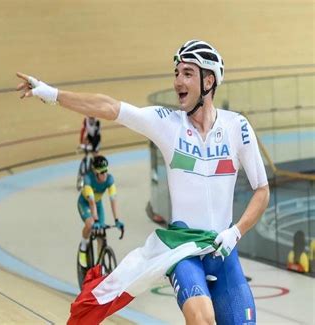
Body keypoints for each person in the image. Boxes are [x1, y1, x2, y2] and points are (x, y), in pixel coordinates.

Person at [16, 39, 270, 325]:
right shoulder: (167, 123)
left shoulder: (237, 127)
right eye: (176, 73)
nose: (177, 81)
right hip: (182, 249)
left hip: (223, 248)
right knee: (203, 320)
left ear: (208, 80)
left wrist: (235, 232)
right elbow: (110, 107)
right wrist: (52, 94)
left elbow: (262, 191)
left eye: (187, 73)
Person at [77, 155, 124, 267]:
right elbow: (91, 202)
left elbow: (113, 200)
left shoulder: (109, 179)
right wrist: (96, 220)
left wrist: (117, 220)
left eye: (106, 171)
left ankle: (100, 264)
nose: (105, 174)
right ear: (96, 172)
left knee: (101, 233)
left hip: (98, 205)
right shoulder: (88, 179)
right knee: (90, 223)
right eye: (102, 172)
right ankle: (83, 249)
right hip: (85, 204)